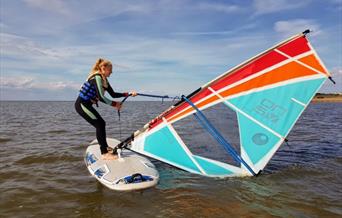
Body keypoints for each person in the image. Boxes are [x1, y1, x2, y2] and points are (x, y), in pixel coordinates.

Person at [75, 58, 137, 160]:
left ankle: (105, 147)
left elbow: (113, 94)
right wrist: (115, 104)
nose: (111, 72)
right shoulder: (97, 78)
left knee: (101, 123)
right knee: (100, 124)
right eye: (110, 70)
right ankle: (104, 153)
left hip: (87, 105)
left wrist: (129, 94)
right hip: (82, 105)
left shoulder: (104, 80)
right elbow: (101, 96)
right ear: (103, 68)